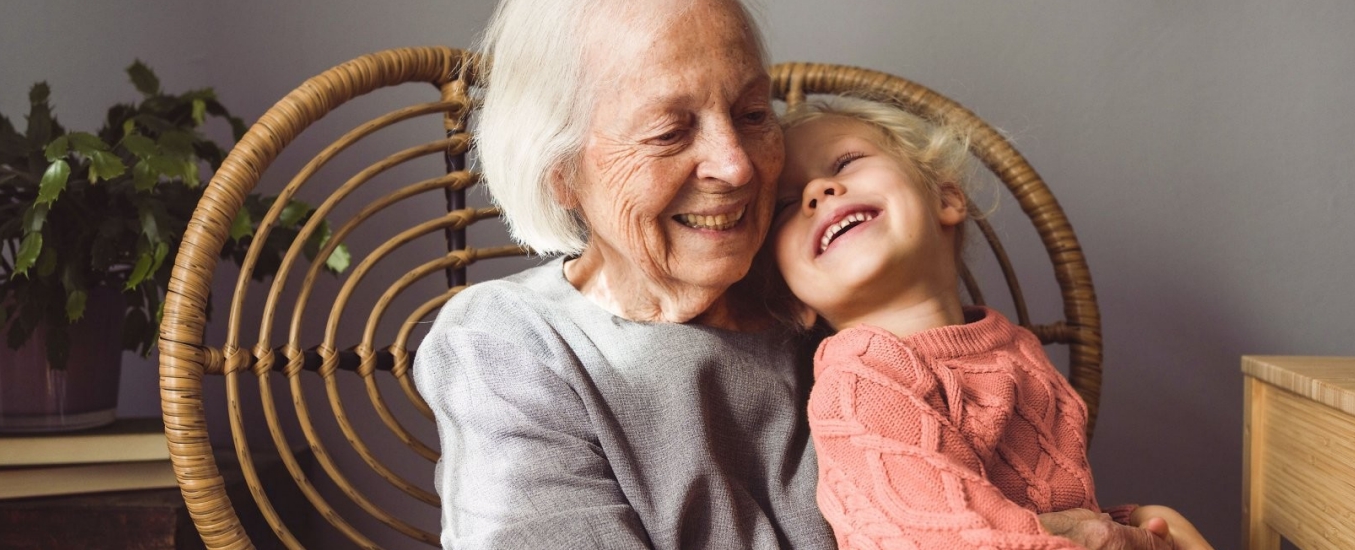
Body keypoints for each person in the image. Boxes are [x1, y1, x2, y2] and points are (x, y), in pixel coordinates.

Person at [418, 0, 1183, 548]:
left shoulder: (837, 303)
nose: (737, 165)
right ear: (561, 175)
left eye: (753, 115)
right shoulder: (509, 345)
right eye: (669, 129)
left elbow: (967, 502)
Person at [767, 97, 1213, 550]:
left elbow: (1047, 514)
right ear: (793, 298)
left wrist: (1127, 526)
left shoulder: (1016, 348)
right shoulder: (860, 384)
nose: (818, 190)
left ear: (946, 197)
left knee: (1168, 524)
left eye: (846, 162)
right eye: (785, 205)